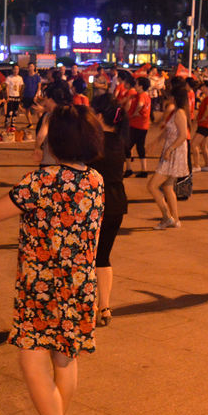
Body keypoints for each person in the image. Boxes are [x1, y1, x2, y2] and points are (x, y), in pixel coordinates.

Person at [0, 105, 104, 415]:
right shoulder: (94, 178)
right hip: (79, 285)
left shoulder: (41, 181)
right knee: (65, 357)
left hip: (41, 285)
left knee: (32, 359)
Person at [89, 93, 128, 327]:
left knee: (88, 256)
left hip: (95, 205)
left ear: (100, 116)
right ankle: (104, 306)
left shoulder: (93, 142)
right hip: (116, 204)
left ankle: (90, 305)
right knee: (103, 256)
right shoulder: (120, 141)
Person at [148, 83, 190, 230]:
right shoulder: (175, 112)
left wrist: (170, 149)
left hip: (174, 152)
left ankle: (167, 217)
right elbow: (168, 131)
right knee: (167, 186)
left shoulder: (180, 113)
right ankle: (175, 219)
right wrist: (156, 142)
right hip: (171, 150)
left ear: (175, 97)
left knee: (152, 186)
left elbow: (183, 135)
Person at [124, 75, 151, 177]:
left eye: (136, 84)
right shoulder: (146, 95)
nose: (135, 85)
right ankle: (144, 170)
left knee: (126, 147)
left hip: (136, 125)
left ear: (141, 86)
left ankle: (129, 169)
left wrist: (134, 114)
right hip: (143, 126)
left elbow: (140, 105)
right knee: (140, 147)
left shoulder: (141, 96)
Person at [192, 79, 208, 172]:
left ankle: (196, 165)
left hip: (205, 124)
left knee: (194, 144)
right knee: (203, 146)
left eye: (203, 86)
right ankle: (207, 165)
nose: (201, 88)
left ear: (207, 88)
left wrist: (203, 117)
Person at [4, 64, 24, 132]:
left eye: (17, 69)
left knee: (15, 111)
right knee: (10, 111)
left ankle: (13, 125)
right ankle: (7, 123)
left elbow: (20, 87)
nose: (16, 70)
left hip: (17, 96)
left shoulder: (20, 78)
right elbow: (7, 87)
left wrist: (20, 95)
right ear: (12, 70)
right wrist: (7, 96)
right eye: (14, 69)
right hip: (10, 96)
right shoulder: (9, 78)